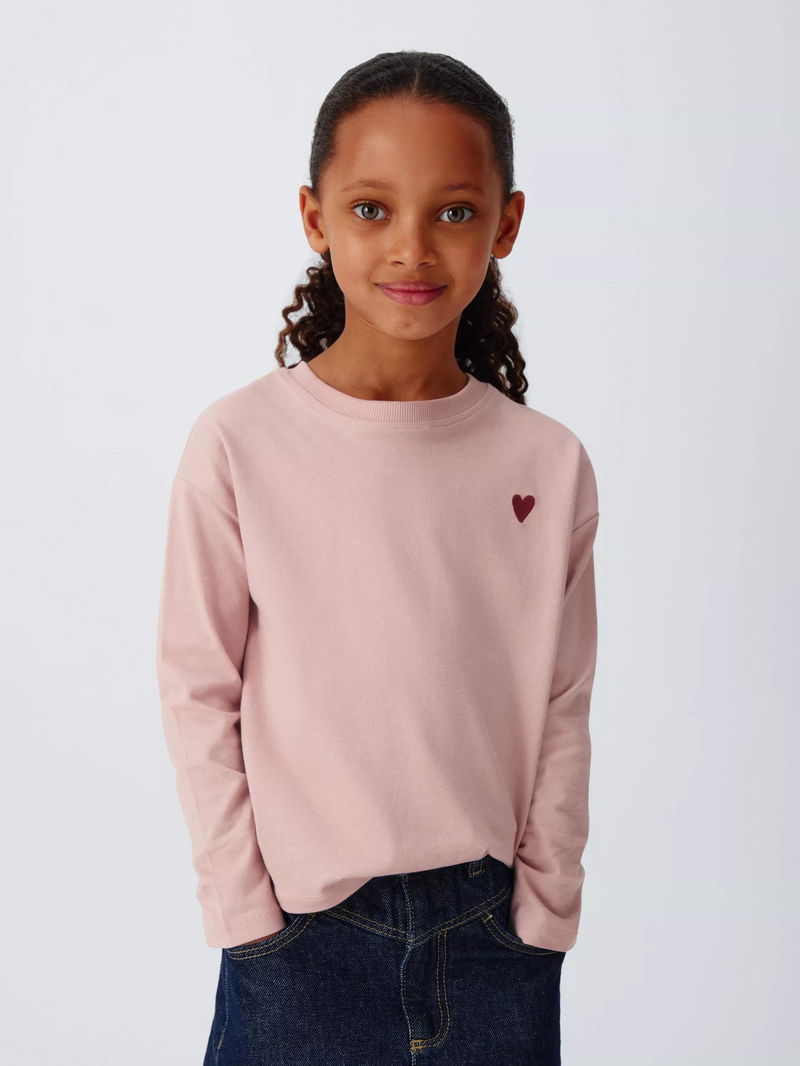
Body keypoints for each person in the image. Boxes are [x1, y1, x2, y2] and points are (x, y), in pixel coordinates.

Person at [156, 49, 600, 1066]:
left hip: (492, 938)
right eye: (370, 209)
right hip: (301, 940)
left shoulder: (546, 463)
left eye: (454, 211)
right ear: (314, 218)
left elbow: (561, 697)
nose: (411, 246)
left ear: (506, 224)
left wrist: (545, 913)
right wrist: (244, 914)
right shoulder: (239, 444)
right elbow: (197, 687)